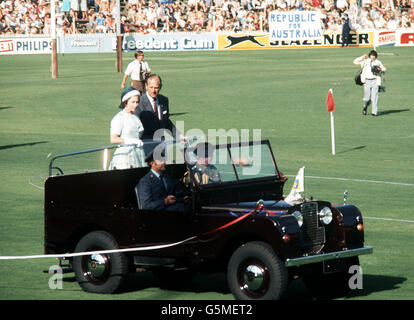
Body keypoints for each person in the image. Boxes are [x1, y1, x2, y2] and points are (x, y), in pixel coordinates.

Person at [137, 145, 189, 212]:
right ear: (152, 163)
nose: (164, 162)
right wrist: (164, 201)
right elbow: (146, 206)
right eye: (161, 160)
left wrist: (183, 199)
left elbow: (175, 195)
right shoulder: (145, 182)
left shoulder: (167, 177)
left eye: (164, 159)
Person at [134, 74, 184, 141]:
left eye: (156, 88)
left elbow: (166, 121)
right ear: (146, 86)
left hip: (161, 143)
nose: (153, 91)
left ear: (160, 87)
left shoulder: (164, 100)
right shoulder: (139, 102)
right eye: (151, 87)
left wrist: (178, 135)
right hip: (145, 143)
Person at [109, 87, 146, 169]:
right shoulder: (119, 118)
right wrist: (130, 141)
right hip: (124, 157)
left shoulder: (136, 117)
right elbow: (113, 139)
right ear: (125, 102)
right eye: (133, 102)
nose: (136, 104)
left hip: (138, 155)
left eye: (137, 102)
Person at [353, 50, 386, 116]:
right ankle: (365, 106)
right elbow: (355, 61)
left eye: (374, 56)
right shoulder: (365, 61)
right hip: (367, 81)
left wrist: (381, 69)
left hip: (375, 81)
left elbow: (384, 68)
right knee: (367, 98)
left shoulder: (378, 62)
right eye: (372, 55)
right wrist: (362, 57)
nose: (373, 57)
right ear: (369, 55)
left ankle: (374, 112)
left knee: (375, 97)